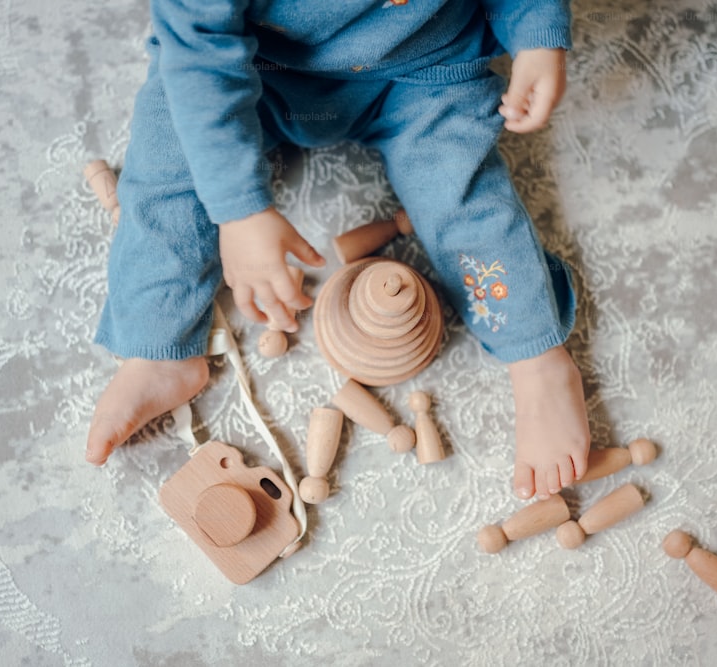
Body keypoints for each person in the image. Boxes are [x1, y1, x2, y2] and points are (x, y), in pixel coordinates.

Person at [86, 0, 590, 500]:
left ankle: (537, 357)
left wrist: (537, 34)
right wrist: (239, 210)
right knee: (166, 157)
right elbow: (196, 53)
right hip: (255, 72)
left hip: (423, 71)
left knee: (465, 203)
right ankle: (159, 344)